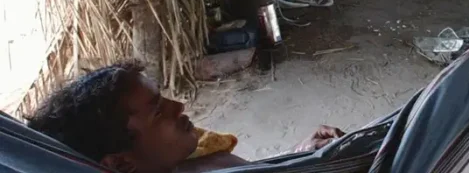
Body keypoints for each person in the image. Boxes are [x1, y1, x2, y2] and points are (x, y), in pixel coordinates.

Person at [25, 61, 343, 173]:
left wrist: (295, 159)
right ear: (122, 163)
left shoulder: (186, 157)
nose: (179, 106)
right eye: (158, 110)